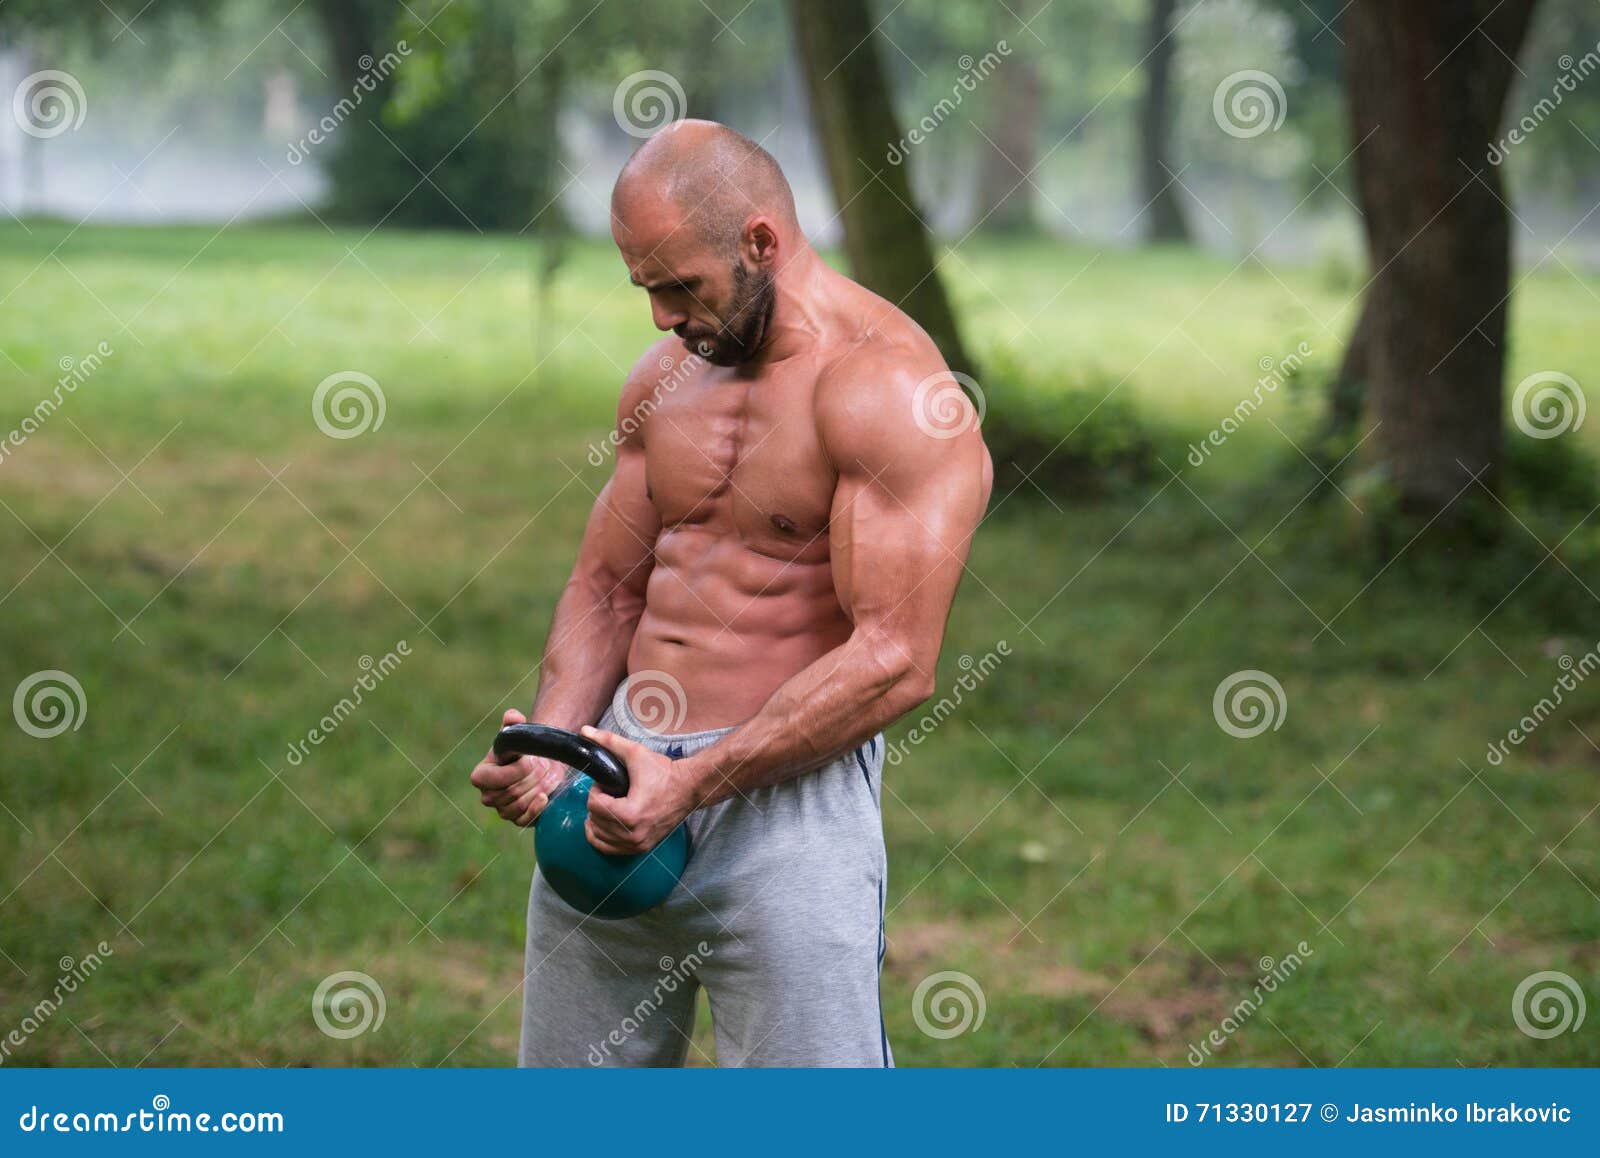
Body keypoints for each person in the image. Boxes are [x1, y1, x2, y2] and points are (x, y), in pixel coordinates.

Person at [469, 119, 992, 1067]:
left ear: (761, 242)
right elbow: (609, 586)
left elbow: (896, 660)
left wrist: (693, 785)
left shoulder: (891, 393)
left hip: (783, 806)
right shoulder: (665, 379)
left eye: (681, 286)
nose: (662, 317)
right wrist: (552, 744)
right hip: (613, 777)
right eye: (645, 288)